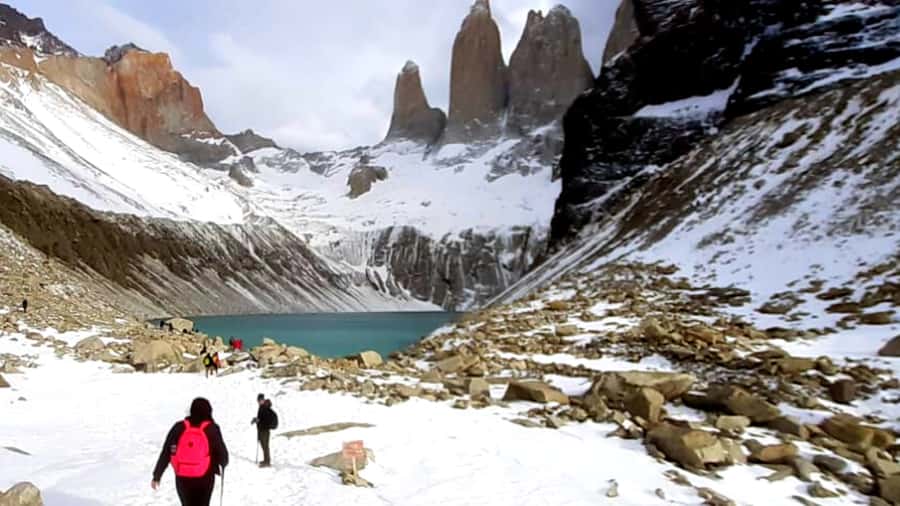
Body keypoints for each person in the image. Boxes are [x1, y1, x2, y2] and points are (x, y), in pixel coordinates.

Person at [152, 397, 228, 506]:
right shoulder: (212, 429)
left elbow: (166, 452)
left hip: (183, 477)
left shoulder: (179, 427)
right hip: (205, 478)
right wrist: (222, 463)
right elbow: (223, 457)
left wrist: (157, 476)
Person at [251, 394, 278, 468]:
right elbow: (262, 418)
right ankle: (266, 460)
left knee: (265, 446)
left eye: (261, 400)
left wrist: (258, 421)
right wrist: (256, 419)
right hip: (262, 430)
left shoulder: (265, 408)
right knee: (264, 446)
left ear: (263, 400)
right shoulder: (262, 407)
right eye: (258, 400)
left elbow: (265, 420)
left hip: (265, 430)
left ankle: (267, 462)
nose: (259, 401)